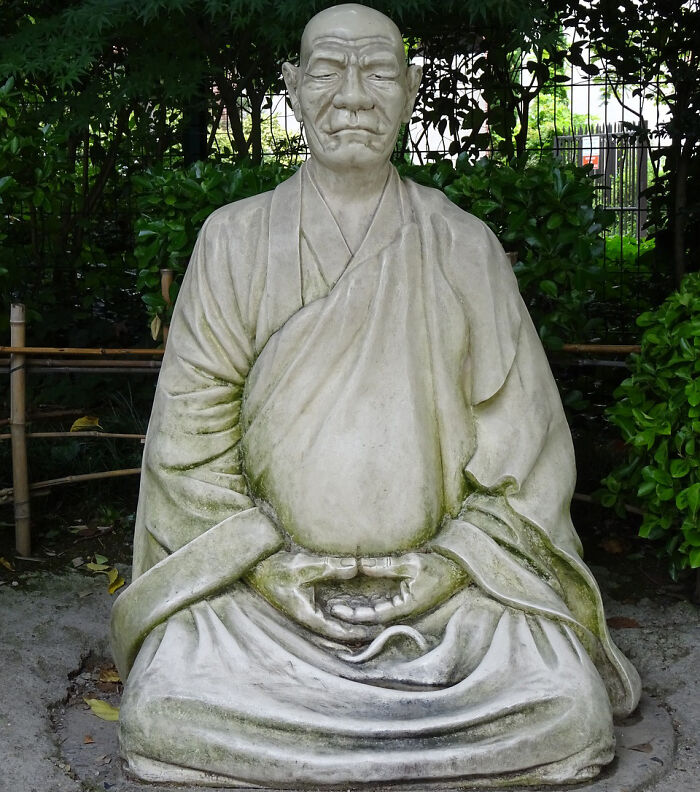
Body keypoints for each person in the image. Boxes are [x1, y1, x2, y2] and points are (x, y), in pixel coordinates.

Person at [111, 4, 640, 787]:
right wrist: (265, 567)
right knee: (166, 706)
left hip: (448, 605)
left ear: (413, 89)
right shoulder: (232, 240)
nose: (352, 95)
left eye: (378, 71)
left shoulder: (463, 245)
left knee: (566, 707)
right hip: (263, 601)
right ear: (292, 88)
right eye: (327, 69)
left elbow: (524, 454)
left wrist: (453, 566)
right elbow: (188, 446)